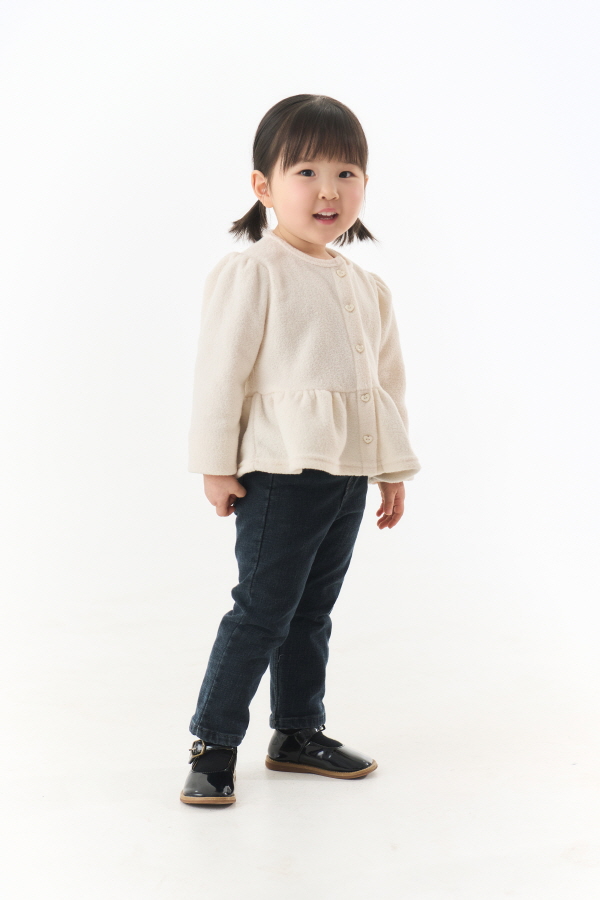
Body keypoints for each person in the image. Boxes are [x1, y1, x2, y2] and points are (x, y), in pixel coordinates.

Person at [180, 94, 421, 806]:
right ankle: (213, 744)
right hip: (280, 474)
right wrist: (216, 464)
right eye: (306, 172)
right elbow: (220, 374)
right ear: (263, 185)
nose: (328, 190)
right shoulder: (255, 272)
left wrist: (391, 469)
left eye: (346, 173)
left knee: (312, 612)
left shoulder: (367, 287)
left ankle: (296, 733)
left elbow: (385, 385)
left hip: (346, 476)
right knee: (261, 612)